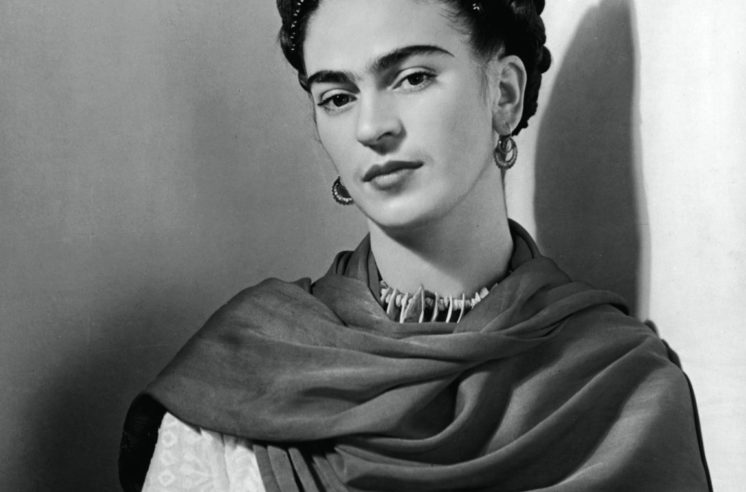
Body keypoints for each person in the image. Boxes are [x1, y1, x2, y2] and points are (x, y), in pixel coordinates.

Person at [119, 0, 711, 490]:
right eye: (337, 96)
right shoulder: (239, 378)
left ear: (504, 93)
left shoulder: (624, 387)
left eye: (412, 78)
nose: (371, 126)